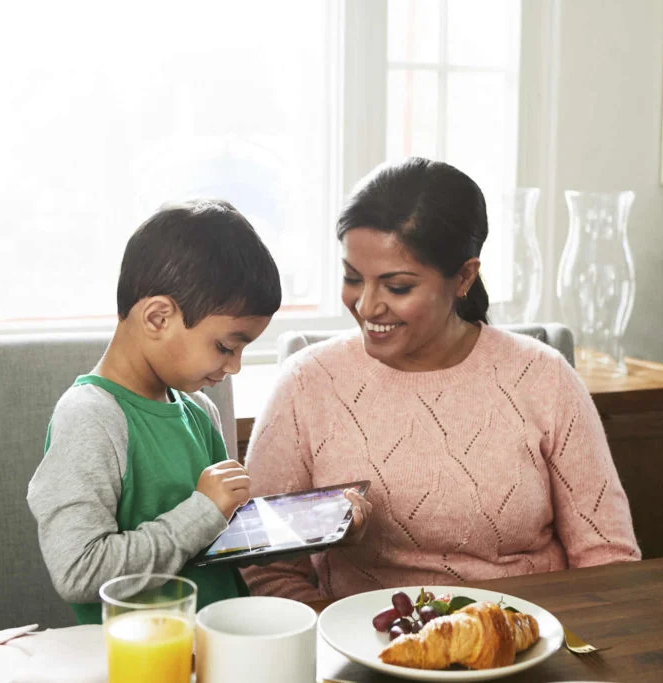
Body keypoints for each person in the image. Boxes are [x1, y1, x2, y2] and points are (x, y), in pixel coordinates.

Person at [242, 158, 640, 602]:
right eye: (353, 278)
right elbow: (265, 567)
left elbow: (608, 559)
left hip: (526, 645)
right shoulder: (306, 382)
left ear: (464, 277)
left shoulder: (545, 379)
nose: (367, 306)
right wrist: (339, 638)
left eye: (397, 288)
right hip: (362, 650)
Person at [28, 199, 281, 623]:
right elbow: (79, 571)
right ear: (158, 318)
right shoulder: (90, 418)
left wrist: (313, 528)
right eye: (225, 346)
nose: (234, 366)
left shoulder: (198, 410)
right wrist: (203, 510)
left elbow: (216, 540)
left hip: (219, 646)